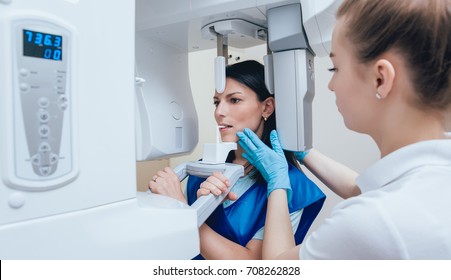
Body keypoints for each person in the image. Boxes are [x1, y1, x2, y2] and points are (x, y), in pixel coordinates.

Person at [205, 0, 451, 259]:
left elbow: (277, 270)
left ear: (381, 79)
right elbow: (364, 187)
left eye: (336, 68)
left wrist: (278, 183)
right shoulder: (432, 180)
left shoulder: (370, 221)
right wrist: (304, 151)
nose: (330, 85)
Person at [149, 60, 325, 260]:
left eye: (234, 100)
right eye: (217, 102)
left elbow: (254, 265)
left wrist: (182, 212)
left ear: (267, 107)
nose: (219, 112)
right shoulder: (201, 170)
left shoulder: (291, 185)